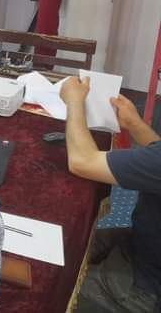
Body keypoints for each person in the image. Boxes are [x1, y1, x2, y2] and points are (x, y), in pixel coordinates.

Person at [60, 77, 160, 312]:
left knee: (53, 286)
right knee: (70, 239)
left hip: (146, 283)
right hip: (142, 240)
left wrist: (74, 102)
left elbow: (82, 162)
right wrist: (135, 125)